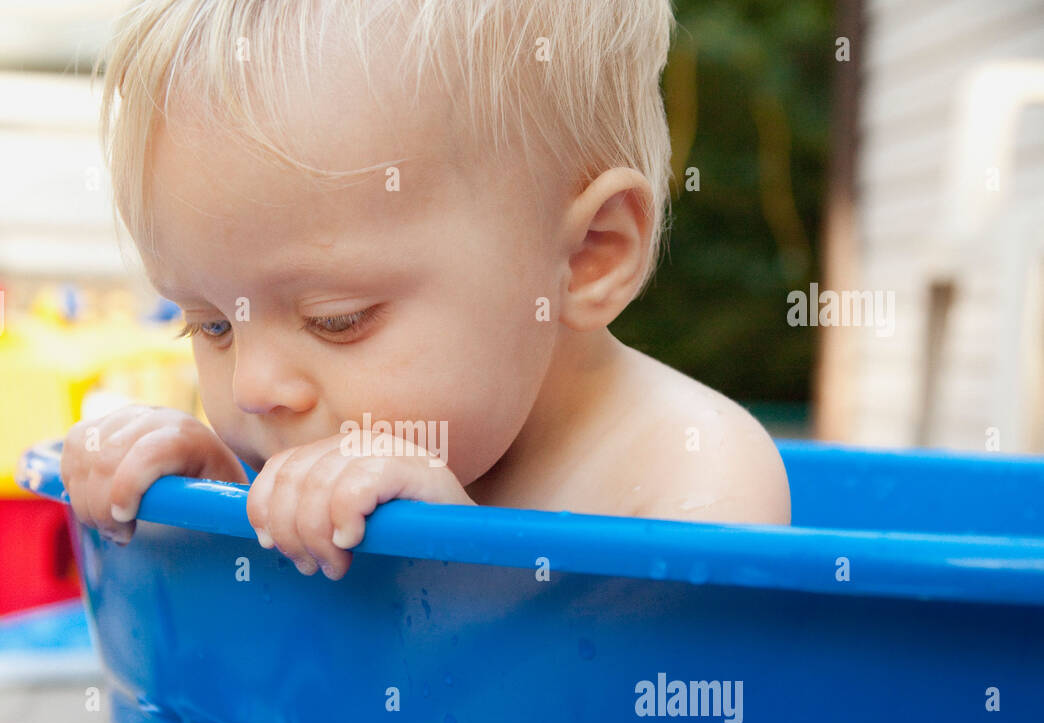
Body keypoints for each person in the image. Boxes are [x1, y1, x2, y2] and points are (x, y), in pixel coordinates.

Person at [63, 0, 791, 583]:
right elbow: (274, 679)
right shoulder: (317, 423)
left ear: (589, 255)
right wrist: (203, 512)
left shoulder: (691, 473)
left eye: (336, 319)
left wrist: (447, 567)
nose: (253, 388)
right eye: (211, 326)